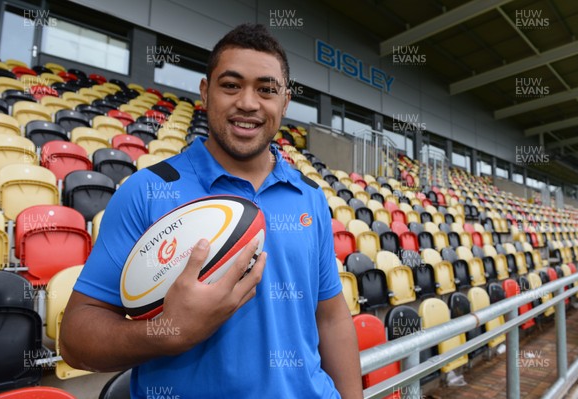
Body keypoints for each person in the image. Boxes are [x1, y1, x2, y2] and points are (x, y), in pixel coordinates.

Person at [61, 23, 363, 398]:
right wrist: (167, 333)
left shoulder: (310, 197)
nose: (249, 103)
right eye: (231, 85)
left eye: (266, 90)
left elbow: (331, 318)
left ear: (284, 103)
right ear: (205, 93)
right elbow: (74, 339)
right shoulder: (146, 191)